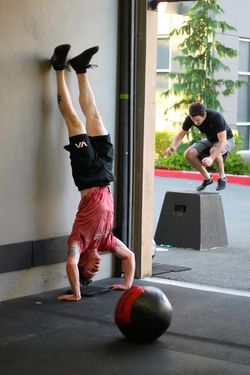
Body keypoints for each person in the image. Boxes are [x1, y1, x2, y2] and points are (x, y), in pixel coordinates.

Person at [50, 44, 135, 302]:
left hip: (87, 174)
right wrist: (127, 284)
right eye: (95, 272)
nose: (96, 269)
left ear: (82, 263)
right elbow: (129, 257)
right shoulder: (107, 242)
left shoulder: (79, 242)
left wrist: (77, 293)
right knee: (95, 116)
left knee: (75, 121)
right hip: (106, 173)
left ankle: (57, 67)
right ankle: (80, 69)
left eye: (90, 270)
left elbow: (70, 263)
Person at [166, 102, 235, 191]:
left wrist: (211, 158)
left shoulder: (216, 117)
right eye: (193, 120)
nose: (195, 122)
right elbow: (180, 136)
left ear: (205, 114)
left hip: (227, 140)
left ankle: (222, 177)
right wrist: (173, 147)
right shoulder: (190, 119)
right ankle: (208, 178)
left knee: (214, 150)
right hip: (210, 140)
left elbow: (222, 141)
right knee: (189, 154)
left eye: (198, 120)